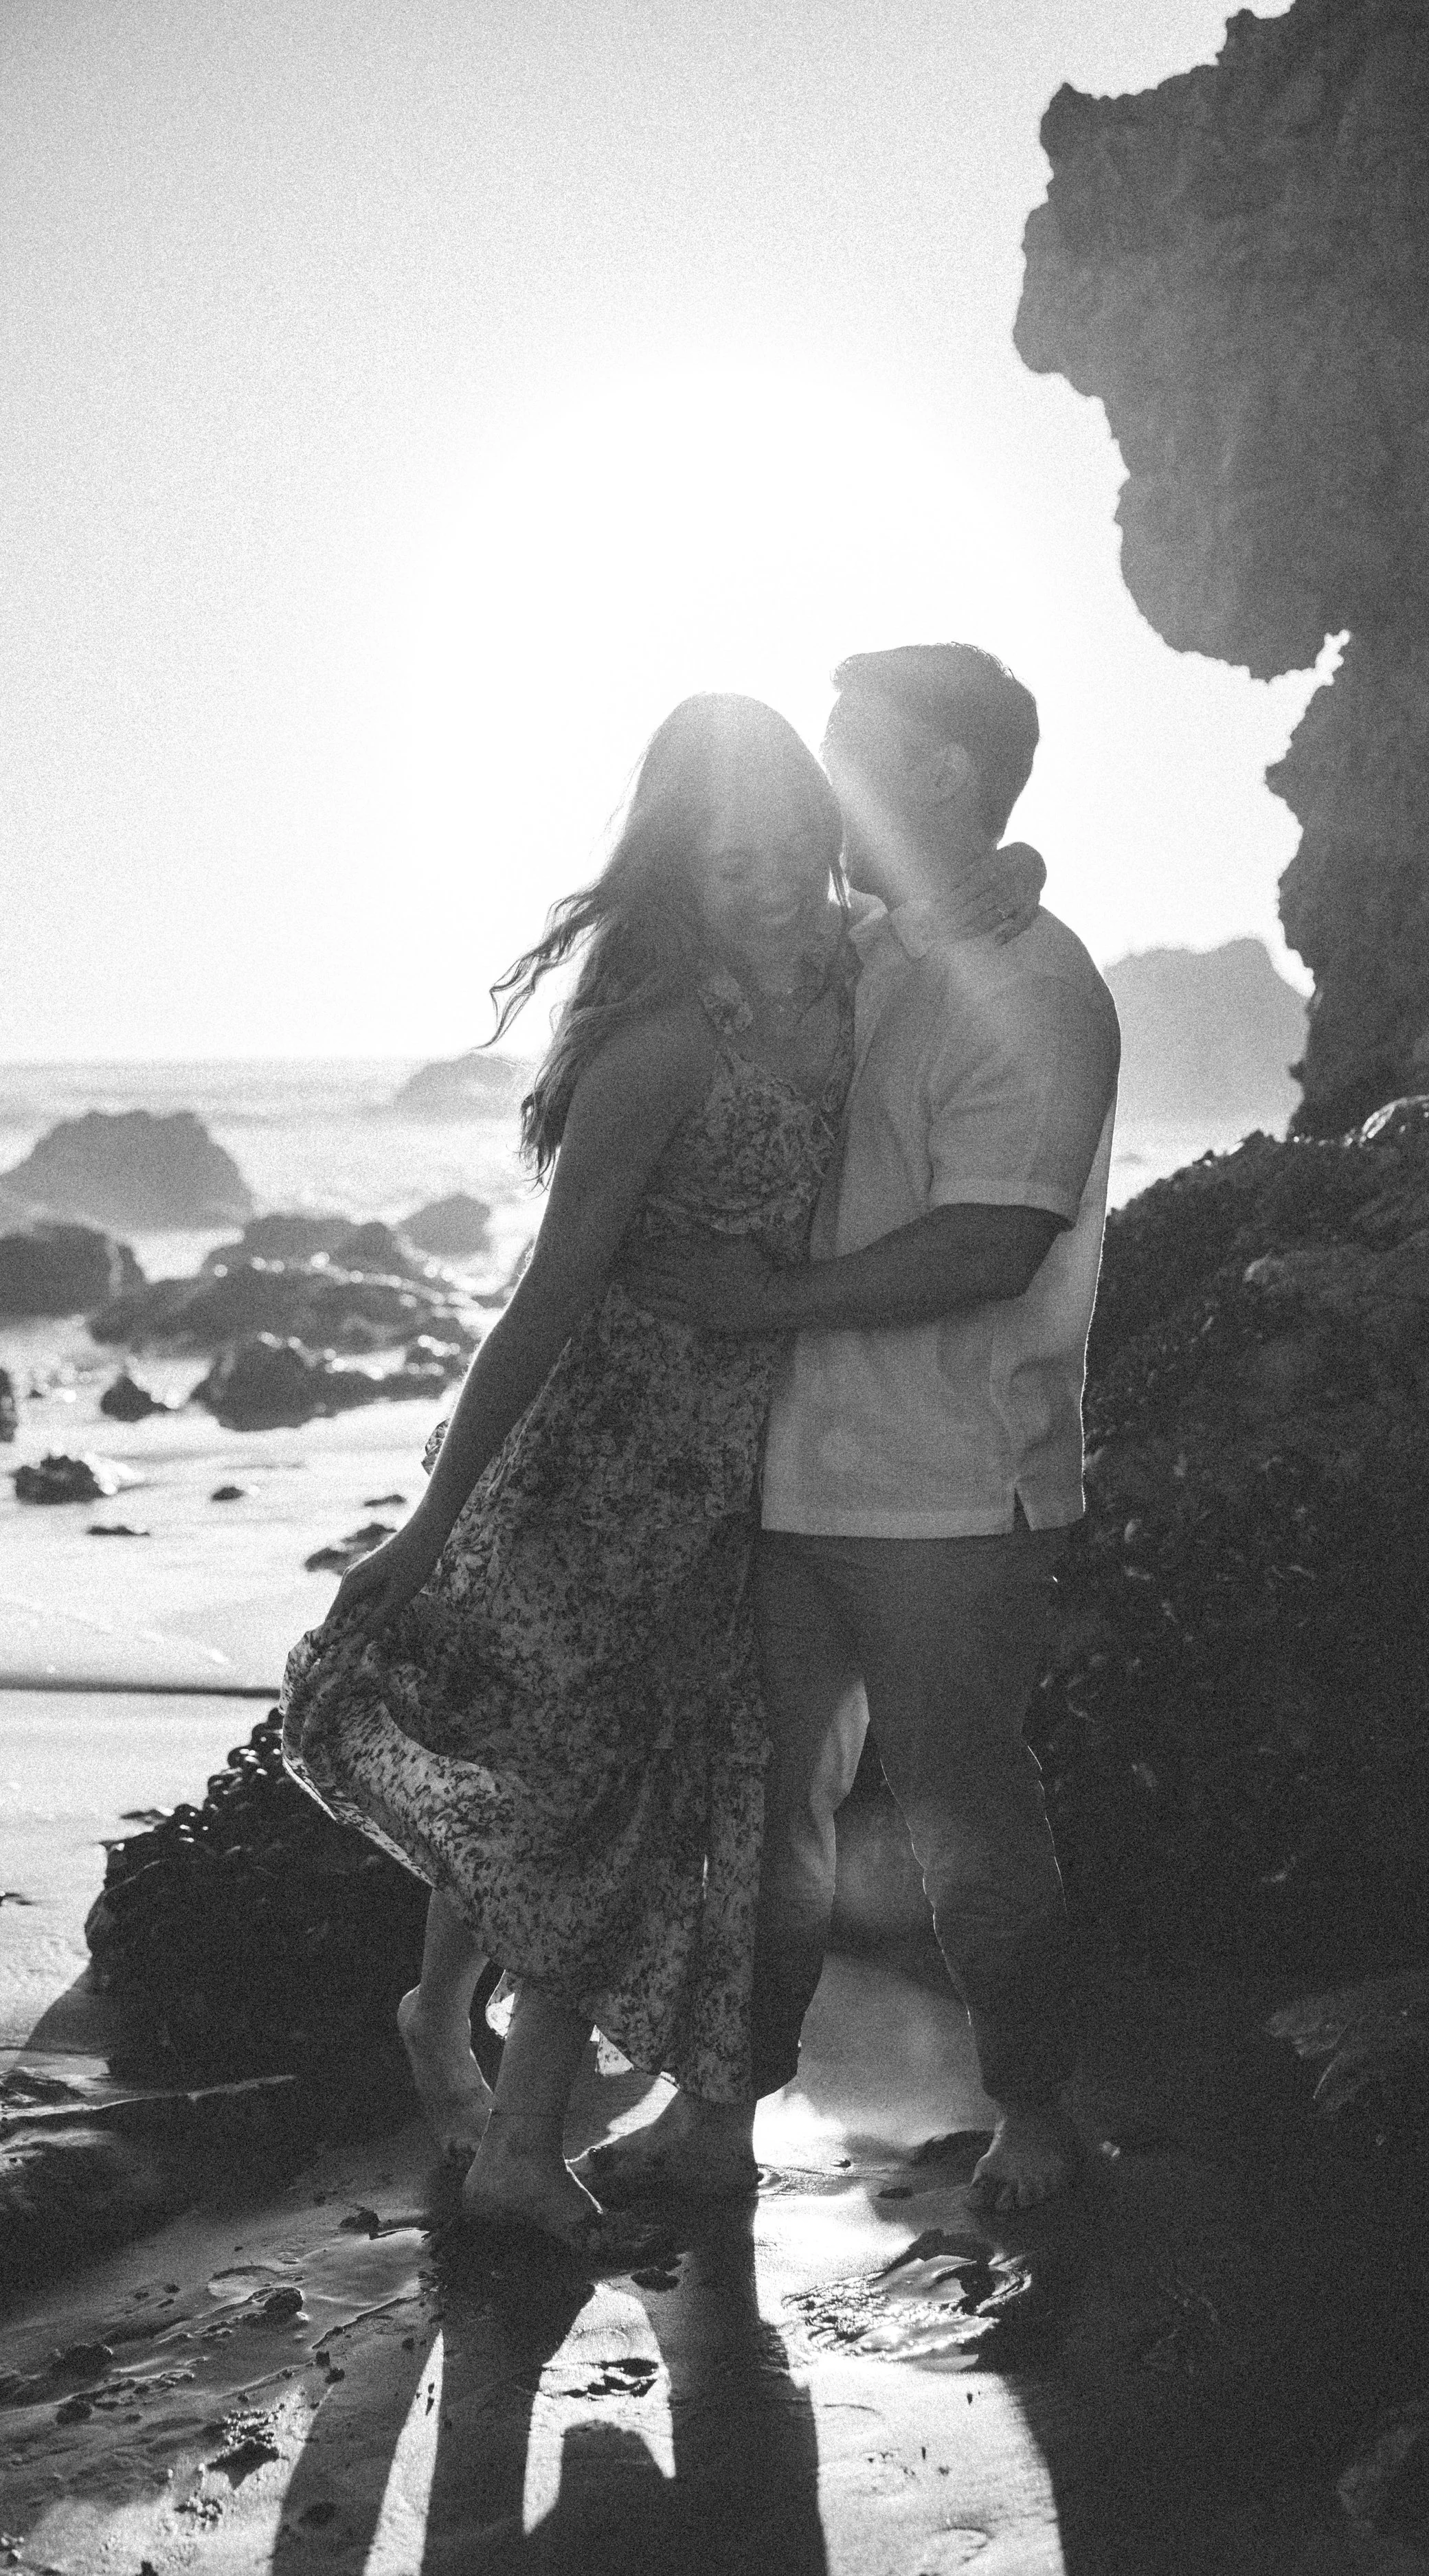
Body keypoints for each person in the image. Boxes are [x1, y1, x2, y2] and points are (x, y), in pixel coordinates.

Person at [279, 688, 1037, 2250]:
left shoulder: (850, 969)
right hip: (589, 1466)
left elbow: (969, 910)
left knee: (564, 1782)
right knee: (585, 1800)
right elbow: (545, 1298)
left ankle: (438, 2014)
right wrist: (426, 1525)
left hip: (739, 1471)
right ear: (677, 871)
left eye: (779, 851)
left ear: (824, 835)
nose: (756, 887)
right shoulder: (661, 1050)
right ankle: (514, 2157)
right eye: (718, 865)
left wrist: (1013, 885)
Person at [606, 643, 1121, 2215]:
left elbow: (989, 1243)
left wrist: (753, 1305)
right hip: (790, 1482)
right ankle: (715, 2119)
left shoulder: (1035, 984)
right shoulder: (871, 950)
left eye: (847, 746)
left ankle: (1034, 2120)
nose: (819, 776)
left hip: (959, 1495)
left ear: (943, 774)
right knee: (759, 1820)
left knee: (972, 1826)